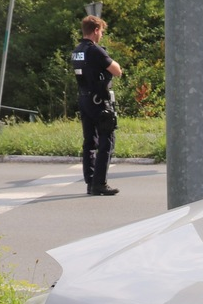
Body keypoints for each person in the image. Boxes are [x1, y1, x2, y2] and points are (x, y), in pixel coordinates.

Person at [72, 15, 122, 196]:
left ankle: (90, 182)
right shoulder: (95, 51)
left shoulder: (77, 50)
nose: (101, 34)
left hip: (84, 100)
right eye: (101, 31)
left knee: (89, 142)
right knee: (106, 140)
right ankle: (100, 183)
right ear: (95, 30)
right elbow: (117, 71)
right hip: (98, 101)